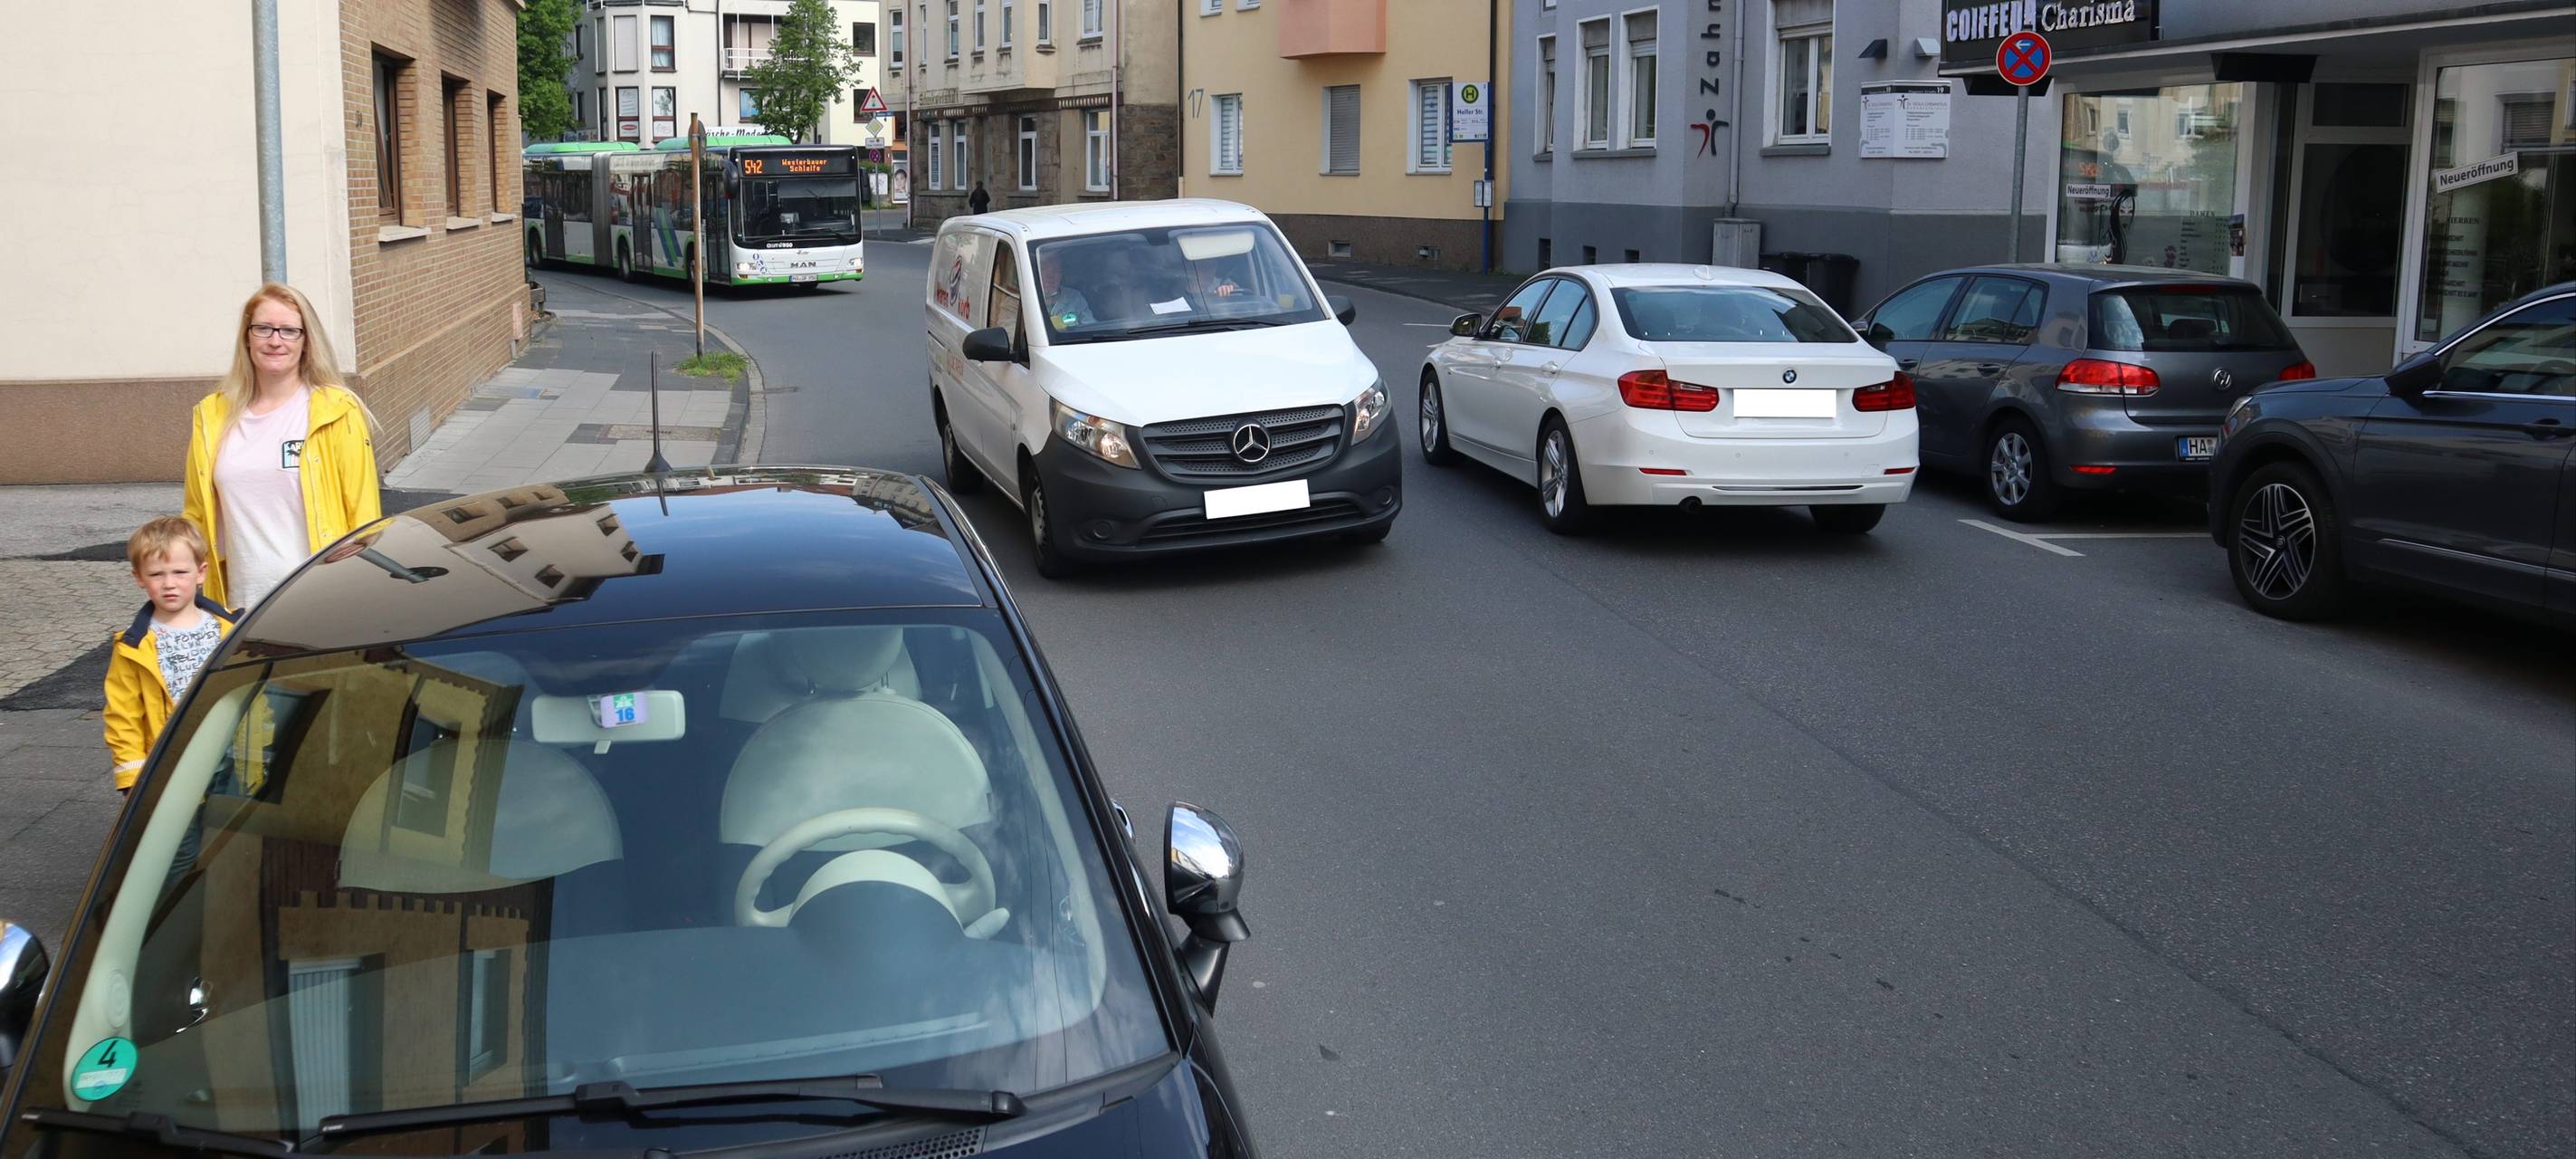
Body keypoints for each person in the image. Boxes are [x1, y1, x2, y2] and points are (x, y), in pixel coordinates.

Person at [184, 283, 382, 611]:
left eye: (290, 331)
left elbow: (365, 518)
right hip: (239, 606)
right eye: (263, 328)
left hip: (317, 601)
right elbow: (195, 514)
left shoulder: (336, 409)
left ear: (306, 342)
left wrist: (357, 546)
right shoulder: (212, 414)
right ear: (247, 337)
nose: (275, 340)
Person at [102, 517, 241, 796]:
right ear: (139, 578)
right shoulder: (133, 647)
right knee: (180, 840)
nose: (169, 584)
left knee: (229, 836)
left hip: (230, 762)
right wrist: (131, 777)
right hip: (168, 768)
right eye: (156, 574)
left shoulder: (231, 631)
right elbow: (123, 716)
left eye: (180, 572)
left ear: (201, 573)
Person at [1038, 248, 1096, 327]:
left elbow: (1090, 328)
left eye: (1056, 270)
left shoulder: (1074, 298)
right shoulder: (1029, 298)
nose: (1050, 276)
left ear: (1061, 275)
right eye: (1044, 269)